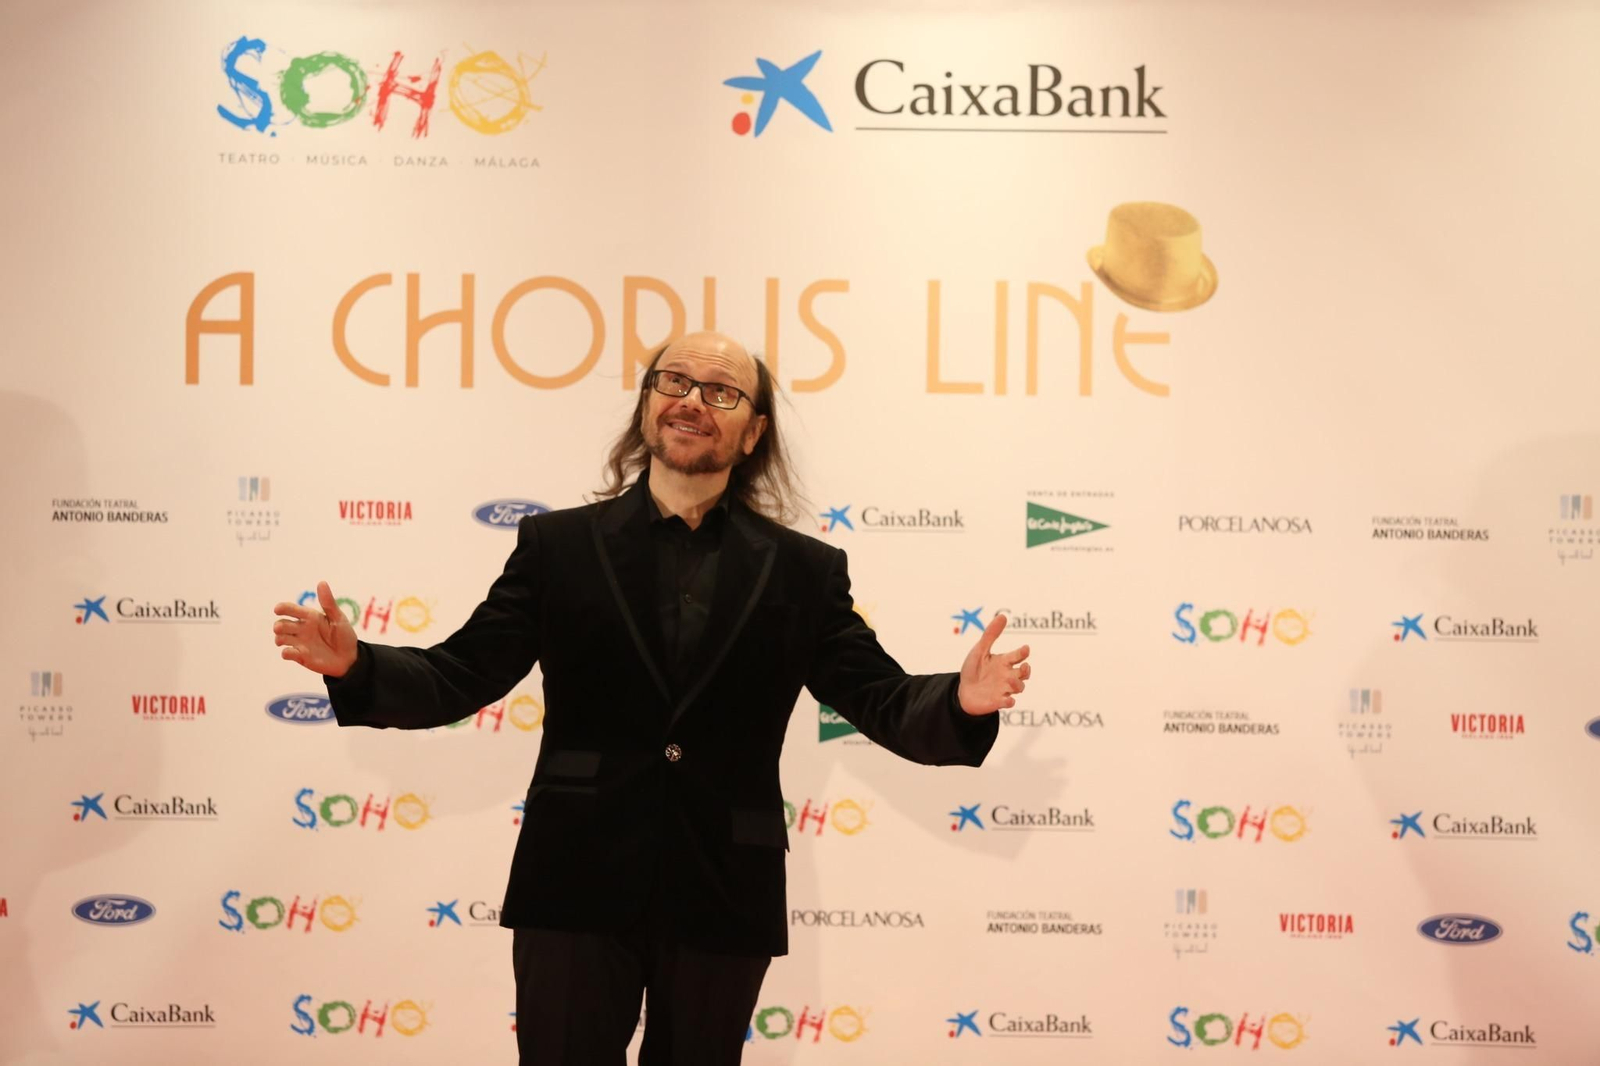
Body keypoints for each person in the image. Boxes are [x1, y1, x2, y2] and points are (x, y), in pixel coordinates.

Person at [271, 331, 1031, 1065]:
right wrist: (359, 665)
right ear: (646, 405)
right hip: (574, 877)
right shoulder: (556, 547)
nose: (692, 400)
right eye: (674, 381)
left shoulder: (805, 571)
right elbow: (459, 672)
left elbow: (880, 697)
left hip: (724, 884)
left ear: (754, 429)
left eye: (722, 391)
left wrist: (960, 703)